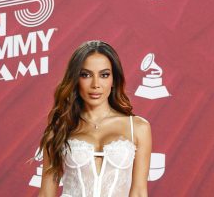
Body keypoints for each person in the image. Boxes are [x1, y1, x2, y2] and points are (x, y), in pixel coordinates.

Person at [38, 40, 152, 197]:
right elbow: (46, 193)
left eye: (104, 75)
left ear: (114, 80)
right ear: (75, 79)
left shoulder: (138, 128)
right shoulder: (59, 129)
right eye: (86, 75)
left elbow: (139, 192)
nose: (96, 84)